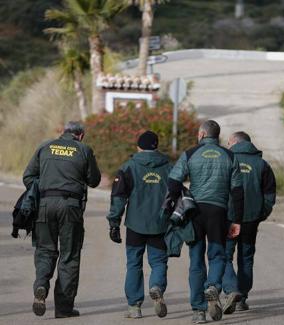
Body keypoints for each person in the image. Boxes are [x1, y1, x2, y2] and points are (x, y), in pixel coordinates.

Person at [167, 120, 244, 324]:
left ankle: (198, 311)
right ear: (217, 136)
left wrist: (176, 201)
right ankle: (213, 286)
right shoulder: (229, 155)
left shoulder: (190, 153)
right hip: (218, 212)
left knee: (196, 260)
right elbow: (237, 191)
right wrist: (236, 220)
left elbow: (173, 181)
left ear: (202, 134)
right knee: (218, 255)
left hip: (195, 212)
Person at [23, 121, 101, 318]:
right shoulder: (84, 149)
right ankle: (63, 309)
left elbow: (28, 176)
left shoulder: (44, 146)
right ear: (81, 135)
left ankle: (41, 285)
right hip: (70, 207)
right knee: (69, 256)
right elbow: (94, 180)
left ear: (62, 132)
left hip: (44, 205)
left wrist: (44, 186)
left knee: (45, 251)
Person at [106, 131, 171, 319]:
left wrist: (114, 223)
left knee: (134, 263)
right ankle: (156, 286)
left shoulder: (129, 167)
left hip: (135, 225)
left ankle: (134, 307)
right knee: (158, 261)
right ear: (156, 146)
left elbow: (118, 198)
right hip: (160, 224)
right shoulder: (169, 167)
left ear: (138, 147)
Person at [221, 131, 276, 314]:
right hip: (251, 220)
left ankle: (231, 289)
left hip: (229, 218)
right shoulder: (262, 165)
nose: (228, 146)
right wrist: (261, 214)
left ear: (234, 142)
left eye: (229, 143)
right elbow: (269, 195)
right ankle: (242, 298)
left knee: (224, 256)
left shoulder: (226, 160)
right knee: (246, 259)